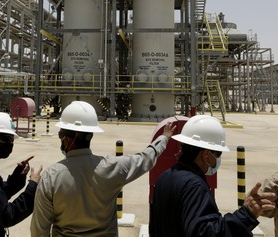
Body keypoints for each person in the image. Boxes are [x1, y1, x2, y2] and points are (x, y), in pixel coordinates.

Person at [30, 100, 176, 236]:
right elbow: (145, 159)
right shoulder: (112, 167)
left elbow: (39, 230)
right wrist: (163, 138)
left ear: (67, 139)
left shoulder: (51, 177)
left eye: (61, 134)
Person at [149, 115, 275, 236]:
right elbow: (206, 233)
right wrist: (246, 215)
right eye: (218, 154)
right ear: (206, 155)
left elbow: (154, 228)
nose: (218, 159)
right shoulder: (195, 187)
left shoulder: (164, 177)